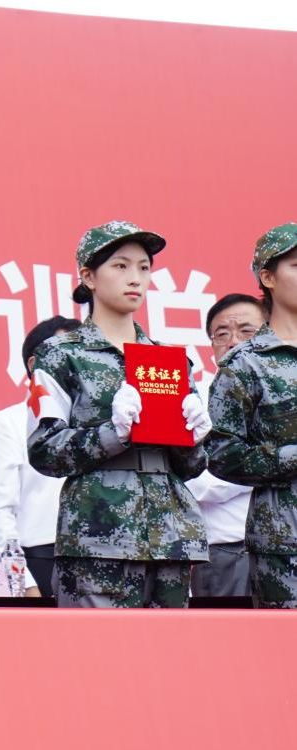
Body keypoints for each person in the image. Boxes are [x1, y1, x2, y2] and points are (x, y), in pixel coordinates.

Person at [28, 220, 210, 608]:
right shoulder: (62, 355)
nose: (135, 278)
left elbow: (191, 466)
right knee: (99, 646)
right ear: (89, 276)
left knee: (171, 647)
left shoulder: (169, 360)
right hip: (99, 535)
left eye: (144, 268)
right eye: (121, 266)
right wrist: (113, 432)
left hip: (171, 537)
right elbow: (44, 450)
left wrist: (194, 439)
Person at [208, 224, 297, 608]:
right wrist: (290, 456)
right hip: (286, 546)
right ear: (268, 278)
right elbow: (220, 453)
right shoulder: (245, 364)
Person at [0, 316, 81, 597]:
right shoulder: (6, 424)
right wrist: (23, 583)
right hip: (41, 561)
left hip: (106, 558)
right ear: (35, 365)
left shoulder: (107, 427)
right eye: (66, 354)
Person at [185, 294, 263, 599]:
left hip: (286, 547)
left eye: (247, 331)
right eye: (222, 334)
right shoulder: (194, 398)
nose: (234, 342)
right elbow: (198, 482)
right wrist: (274, 468)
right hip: (225, 551)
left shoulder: (288, 392)